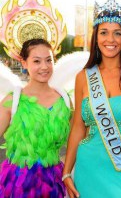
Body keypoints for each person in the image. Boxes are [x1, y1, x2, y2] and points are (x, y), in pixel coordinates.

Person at [63, 0, 121, 198]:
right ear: (96, 37)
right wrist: (66, 172)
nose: (110, 40)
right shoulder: (84, 77)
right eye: (104, 32)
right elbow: (78, 127)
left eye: (117, 33)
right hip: (88, 168)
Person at [0, 38, 72, 197]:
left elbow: (76, 141)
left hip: (53, 182)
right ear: (24, 63)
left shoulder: (64, 100)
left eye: (49, 60)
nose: (44, 67)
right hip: (17, 185)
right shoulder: (13, 101)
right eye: (36, 61)